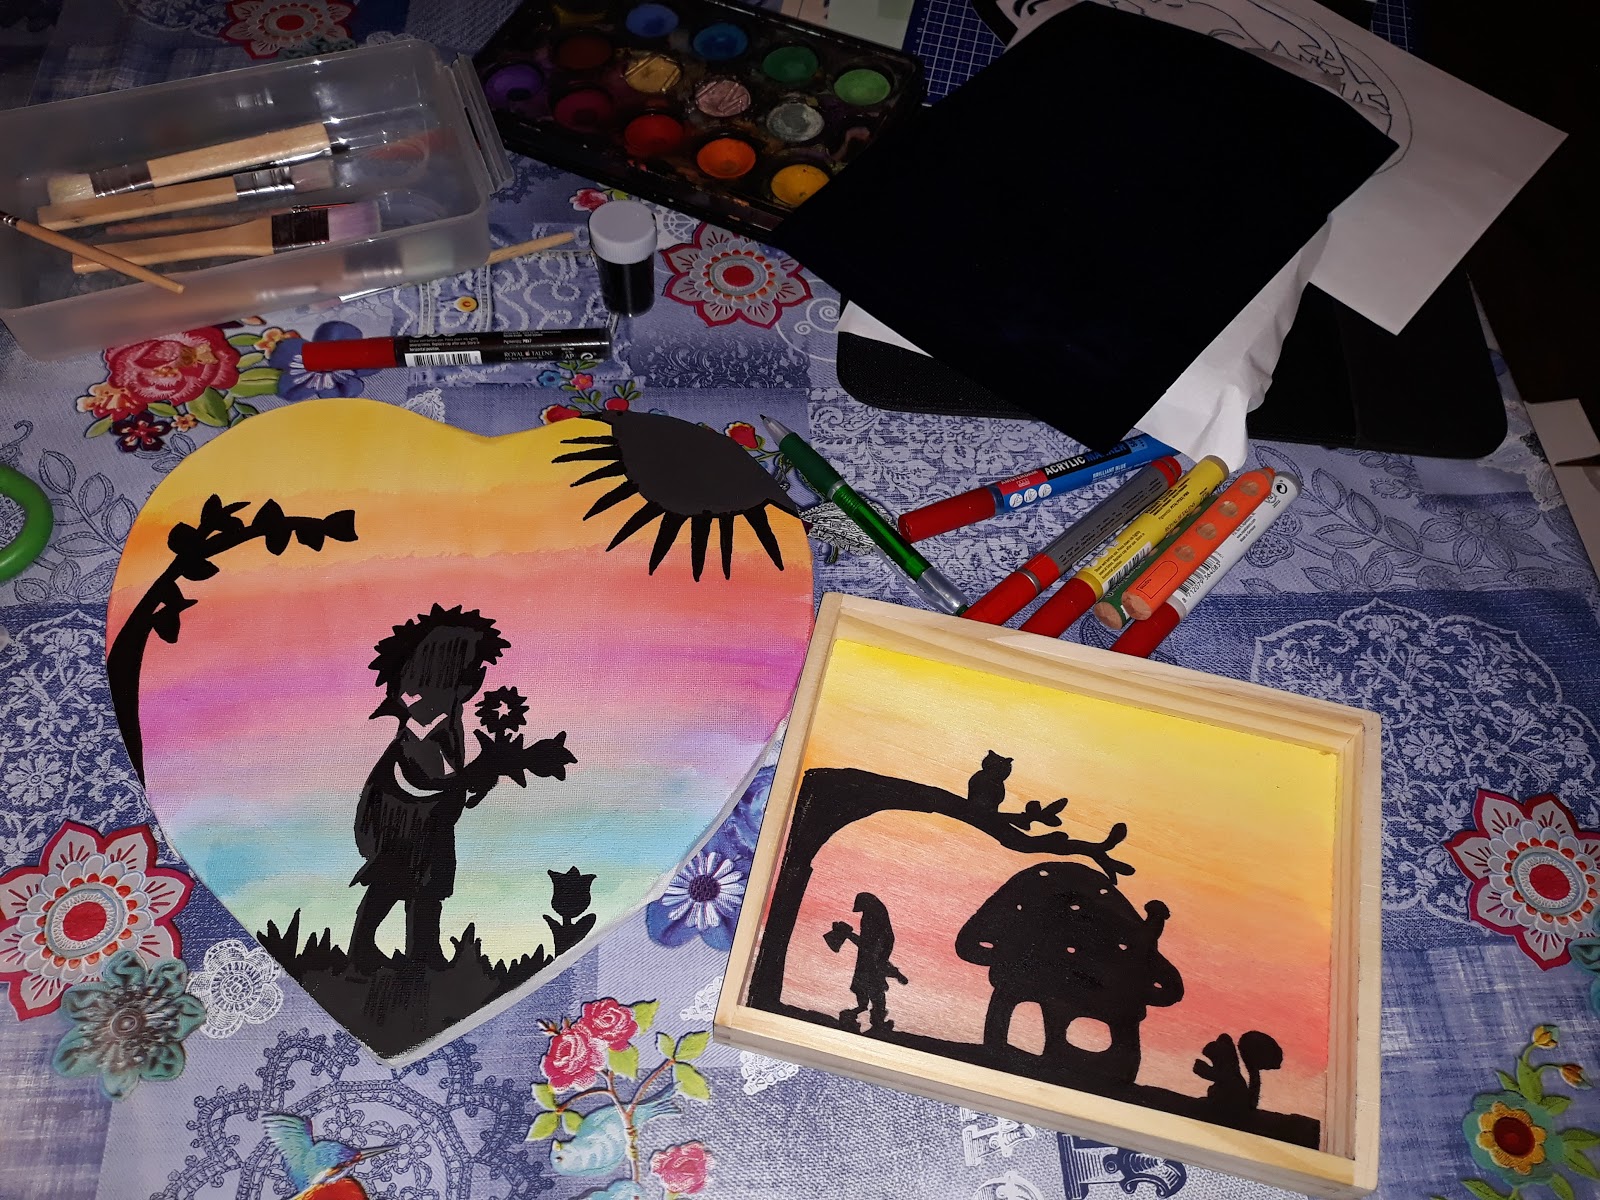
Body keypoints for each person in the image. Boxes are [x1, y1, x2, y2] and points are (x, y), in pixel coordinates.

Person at [347, 604, 573, 969]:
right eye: (471, 670)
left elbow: (449, 774)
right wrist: (488, 767)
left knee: (430, 884)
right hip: (402, 818)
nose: (478, 680)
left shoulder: (446, 712)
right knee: (395, 878)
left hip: (430, 817)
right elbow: (432, 774)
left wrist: (488, 767)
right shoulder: (422, 716)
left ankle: (423, 952)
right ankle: (362, 950)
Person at [824, 892, 908, 1033]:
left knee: (874, 991)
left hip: (871, 962)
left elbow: (870, 947)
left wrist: (848, 934)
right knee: (868, 990)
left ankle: (876, 1022)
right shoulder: (871, 919)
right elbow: (867, 945)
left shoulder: (875, 922)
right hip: (868, 961)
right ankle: (869, 1017)